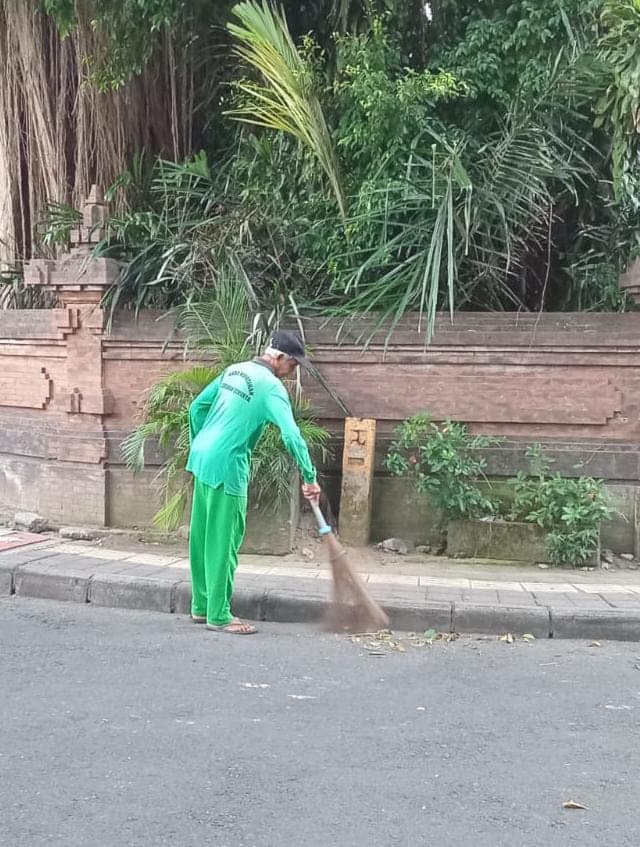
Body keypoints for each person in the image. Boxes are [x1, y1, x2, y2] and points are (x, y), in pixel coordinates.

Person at [186, 330, 322, 634]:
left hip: (203, 459)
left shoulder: (235, 370)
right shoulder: (271, 387)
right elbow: (291, 434)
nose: (293, 372)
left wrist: (201, 444)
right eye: (294, 365)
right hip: (229, 467)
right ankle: (219, 615)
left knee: (202, 536)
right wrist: (310, 477)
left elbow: (196, 408)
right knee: (223, 541)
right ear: (279, 358)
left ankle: (200, 605)